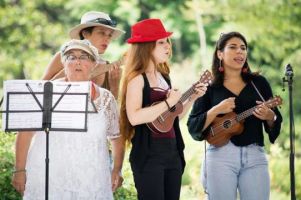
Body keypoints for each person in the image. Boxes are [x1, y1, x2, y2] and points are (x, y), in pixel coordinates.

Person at [11, 39, 125, 199]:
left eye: (84, 57)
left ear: (94, 64)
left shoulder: (106, 98)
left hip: (91, 177)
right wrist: (20, 169)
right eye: (71, 57)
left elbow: (116, 136)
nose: (77, 61)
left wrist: (117, 169)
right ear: (64, 64)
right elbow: (26, 133)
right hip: (49, 176)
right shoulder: (45, 93)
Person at [187, 31, 283, 200]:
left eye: (243, 48)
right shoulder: (209, 88)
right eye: (233, 47)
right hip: (219, 157)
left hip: (255, 156)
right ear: (219, 53)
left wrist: (270, 117)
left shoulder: (259, 83)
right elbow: (193, 125)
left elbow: (276, 120)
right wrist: (216, 109)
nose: (240, 52)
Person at [119, 19, 207, 200]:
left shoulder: (164, 77)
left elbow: (172, 118)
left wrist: (192, 98)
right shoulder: (136, 79)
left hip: (172, 152)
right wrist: (168, 103)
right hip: (149, 156)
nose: (168, 46)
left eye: (167, 41)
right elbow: (134, 117)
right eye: (161, 42)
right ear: (146, 47)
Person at [42, 11, 125, 99]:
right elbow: (38, 90)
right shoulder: (62, 57)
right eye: (101, 33)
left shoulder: (112, 70)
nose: (107, 39)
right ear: (85, 34)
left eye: (110, 35)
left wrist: (115, 88)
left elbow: (112, 110)